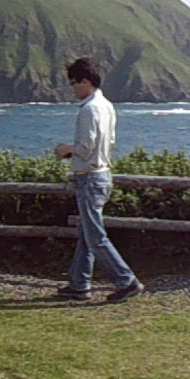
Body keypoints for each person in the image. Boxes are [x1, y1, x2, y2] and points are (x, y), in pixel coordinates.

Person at [51, 57, 144, 303]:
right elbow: (109, 142)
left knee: (95, 237)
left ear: (85, 81)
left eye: (74, 82)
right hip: (103, 174)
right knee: (87, 234)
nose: (72, 88)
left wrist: (65, 150)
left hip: (89, 177)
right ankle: (79, 285)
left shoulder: (88, 109)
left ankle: (127, 281)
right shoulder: (107, 106)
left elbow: (85, 148)